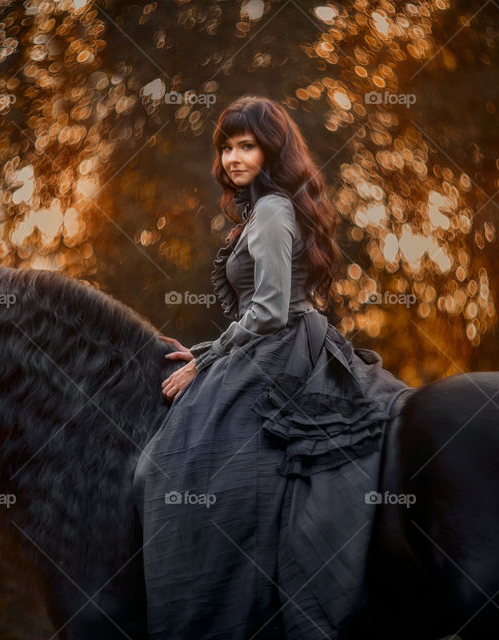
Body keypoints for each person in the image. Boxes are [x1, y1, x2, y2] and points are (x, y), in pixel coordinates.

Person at [132, 95, 411, 639]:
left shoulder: (274, 209)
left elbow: (268, 307)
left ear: (271, 150)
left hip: (281, 344)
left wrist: (207, 362)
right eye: (227, 147)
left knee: (180, 456)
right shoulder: (263, 210)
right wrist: (209, 354)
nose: (234, 157)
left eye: (247, 145)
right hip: (271, 338)